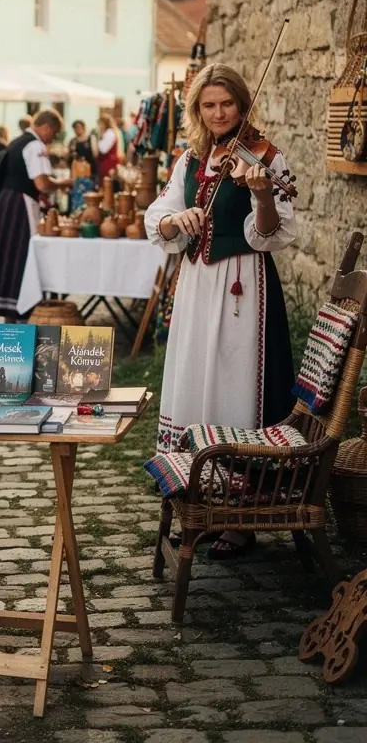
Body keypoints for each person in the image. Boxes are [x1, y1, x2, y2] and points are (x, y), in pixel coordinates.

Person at [145, 63, 295, 560]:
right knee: (196, 382)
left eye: (226, 104)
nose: (217, 113)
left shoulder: (265, 158)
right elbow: (160, 217)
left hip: (242, 291)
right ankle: (199, 504)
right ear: (197, 110)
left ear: (242, 104)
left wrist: (262, 193)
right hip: (197, 289)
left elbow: (271, 233)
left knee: (234, 385)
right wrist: (175, 221)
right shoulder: (190, 160)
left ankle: (241, 517)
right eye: (208, 105)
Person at [0, 110, 72, 320]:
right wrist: (64, 183)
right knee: (22, 255)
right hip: (18, 204)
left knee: (9, 255)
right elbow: (42, 183)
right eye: (55, 133)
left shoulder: (17, 141)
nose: (53, 138)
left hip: (5, 202)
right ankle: (20, 309)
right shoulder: (35, 145)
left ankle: (11, 312)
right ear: (46, 128)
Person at [68, 119, 97, 212]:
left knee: (88, 193)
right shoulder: (72, 141)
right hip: (76, 173)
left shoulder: (91, 139)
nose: (77, 130)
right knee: (76, 194)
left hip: (89, 172)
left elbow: (95, 154)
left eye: (79, 128)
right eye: (75, 128)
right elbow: (69, 156)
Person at [95, 114, 122, 182]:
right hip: (106, 163)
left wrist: (98, 139)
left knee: (107, 184)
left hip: (109, 163)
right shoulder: (107, 133)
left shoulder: (109, 134)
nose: (99, 126)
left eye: (100, 124)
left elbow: (103, 149)